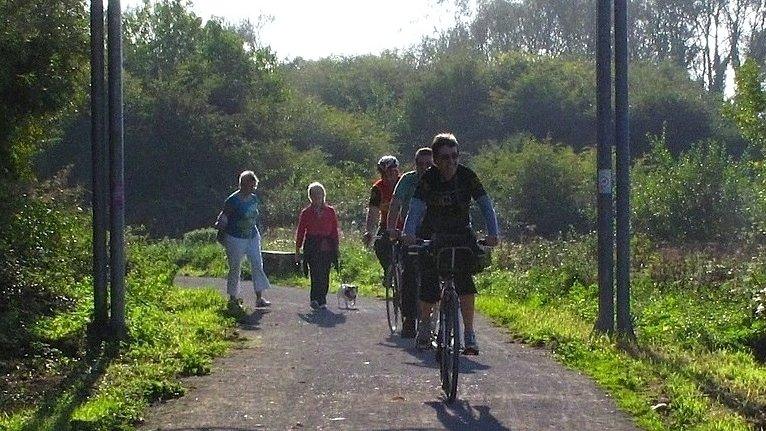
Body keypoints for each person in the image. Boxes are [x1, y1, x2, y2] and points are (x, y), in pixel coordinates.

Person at [402, 133, 499, 355]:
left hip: (461, 233)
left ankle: (469, 334)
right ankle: (425, 326)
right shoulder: (428, 179)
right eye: (445, 157)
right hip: (434, 233)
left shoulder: (467, 176)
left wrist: (493, 233)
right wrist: (408, 233)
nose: (451, 161)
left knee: (465, 281)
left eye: (455, 156)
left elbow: (485, 204)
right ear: (436, 160)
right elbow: (415, 209)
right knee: (428, 282)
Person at [386, 147, 434, 338]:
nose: (424, 168)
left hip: (432, 229)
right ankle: (409, 318)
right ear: (415, 165)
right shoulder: (407, 180)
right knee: (410, 272)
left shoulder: (440, 180)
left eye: (428, 164)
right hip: (410, 232)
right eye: (420, 164)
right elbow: (396, 204)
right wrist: (391, 228)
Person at [216, 170, 272, 310]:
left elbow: (256, 216)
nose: (251, 188)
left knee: (257, 264)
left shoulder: (254, 198)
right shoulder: (232, 200)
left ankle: (259, 298)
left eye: (253, 186)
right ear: (241, 184)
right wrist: (221, 234)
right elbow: (223, 218)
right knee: (235, 267)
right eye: (248, 185)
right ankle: (233, 297)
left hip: (252, 235)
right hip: (235, 237)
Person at [295, 182, 340, 310]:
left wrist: (336, 247)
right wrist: (297, 250)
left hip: (327, 245)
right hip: (312, 244)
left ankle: (322, 298)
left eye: (319, 194)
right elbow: (300, 231)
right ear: (310, 196)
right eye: (314, 195)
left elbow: (334, 231)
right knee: (315, 272)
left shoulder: (330, 211)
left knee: (325, 272)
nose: (317, 197)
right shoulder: (306, 213)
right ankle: (314, 298)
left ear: (323, 195)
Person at [363, 155, 401, 277]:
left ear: (397, 171)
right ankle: (388, 270)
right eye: (384, 174)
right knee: (379, 245)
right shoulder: (377, 188)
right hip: (386, 224)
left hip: (405, 224)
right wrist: (369, 231)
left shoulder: (404, 183)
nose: (388, 176)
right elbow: (373, 211)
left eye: (391, 172)